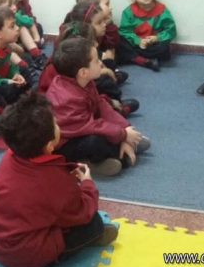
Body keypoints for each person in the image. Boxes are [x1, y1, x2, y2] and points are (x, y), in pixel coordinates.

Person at [0, 93, 118, 267]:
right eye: (56, 124)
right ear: (49, 146)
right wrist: (88, 185)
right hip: (21, 254)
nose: (58, 125)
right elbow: (82, 212)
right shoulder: (52, 181)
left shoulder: (11, 155)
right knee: (94, 224)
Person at [46, 38, 151, 176]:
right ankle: (84, 163)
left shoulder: (85, 81)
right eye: (96, 61)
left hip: (83, 129)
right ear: (83, 72)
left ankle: (118, 151)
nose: (101, 62)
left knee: (109, 123)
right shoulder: (66, 98)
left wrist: (125, 127)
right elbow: (91, 126)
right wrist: (123, 135)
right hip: (65, 144)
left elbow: (101, 106)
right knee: (95, 142)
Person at [118, 0, 177, 72]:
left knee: (164, 48)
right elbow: (124, 31)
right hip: (137, 44)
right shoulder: (128, 12)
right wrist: (138, 41)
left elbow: (171, 30)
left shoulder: (162, 10)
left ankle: (135, 58)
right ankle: (145, 60)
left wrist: (157, 38)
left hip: (154, 45)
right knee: (120, 41)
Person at [76, 0, 129, 85]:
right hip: (84, 69)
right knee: (105, 82)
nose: (110, 8)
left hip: (97, 57)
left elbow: (112, 42)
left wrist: (109, 23)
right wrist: (105, 69)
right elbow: (84, 65)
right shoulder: (81, 35)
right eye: (107, 4)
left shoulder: (98, 24)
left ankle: (114, 73)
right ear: (94, 7)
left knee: (122, 44)